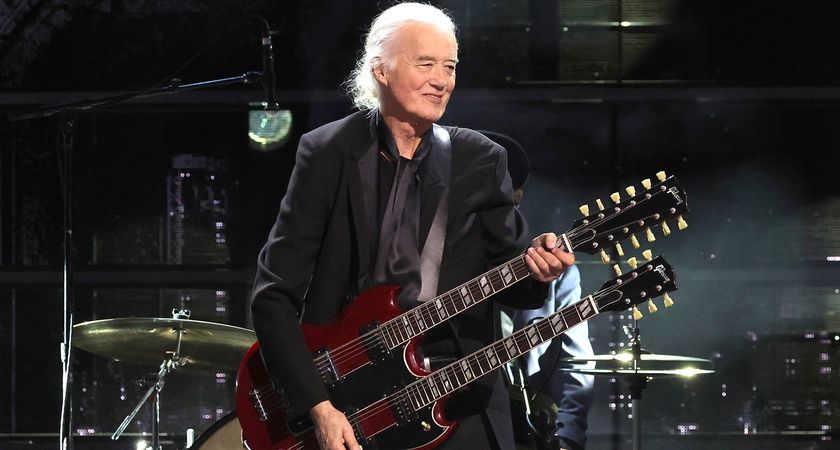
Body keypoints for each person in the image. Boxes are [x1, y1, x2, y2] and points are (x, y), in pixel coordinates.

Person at [250, 3, 575, 450]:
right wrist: (318, 407)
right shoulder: (326, 152)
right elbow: (273, 295)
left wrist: (539, 271)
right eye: (426, 64)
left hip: (457, 393)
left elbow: (516, 287)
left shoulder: (480, 158)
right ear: (379, 70)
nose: (442, 80)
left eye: (450, 66)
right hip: (349, 399)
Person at [482, 131, 594, 450]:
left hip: (524, 422)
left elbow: (575, 361)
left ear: (517, 196)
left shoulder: (553, 263)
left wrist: (568, 436)